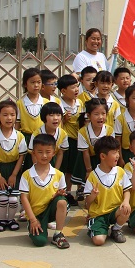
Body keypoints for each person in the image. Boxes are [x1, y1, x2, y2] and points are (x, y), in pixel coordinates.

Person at [19, 134, 70, 248]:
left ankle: (58, 234)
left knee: (62, 201)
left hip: (50, 210)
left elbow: (61, 194)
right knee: (40, 242)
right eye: (40, 152)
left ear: (54, 152)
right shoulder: (27, 175)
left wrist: (57, 195)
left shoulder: (58, 174)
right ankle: (33, 225)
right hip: (35, 214)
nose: (44, 155)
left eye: (48, 151)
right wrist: (32, 220)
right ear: (34, 153)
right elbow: (24, 198)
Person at [0, 100, 27, 232]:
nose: (9, 118)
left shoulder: (19, 136)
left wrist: (14, 174)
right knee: (3, 198)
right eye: (5, 115)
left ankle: (11, 219)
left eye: (12, 114)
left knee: (14, 199)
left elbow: (21, 157)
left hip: (14, 170)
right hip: (0, 170)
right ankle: (2, 220)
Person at [83, 135, 132, 245]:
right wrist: (92, 195)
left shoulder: (120, 171)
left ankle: (116, 229)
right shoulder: (93, 176)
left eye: (118, 152)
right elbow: (87, 203)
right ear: (103, 156)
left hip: (115, 211)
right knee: (99, 241)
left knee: (126, 209)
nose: (118, 156)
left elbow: (127, 190)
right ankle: (95, 227)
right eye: (114, 153)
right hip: (98, 214)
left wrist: (125, 201)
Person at [73, 98, 113, 200]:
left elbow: (110, 150)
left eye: (103, 113)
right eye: (96, 114)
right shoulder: (83, 132)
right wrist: (88, 170)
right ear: (88, 115)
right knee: (90, 182)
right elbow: (85, 153)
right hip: (89, 160)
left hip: (105, 159)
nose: (100, 117)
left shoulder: (109, 130)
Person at [57, 74, 82, 206]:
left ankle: (68, 191)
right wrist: (63, 119)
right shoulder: (58, 103)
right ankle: (60, 192)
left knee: (71, 169)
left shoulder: (80, 103)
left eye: (77, 86)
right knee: (62, 167)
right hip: (64, 140)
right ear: (63, 91)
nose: (76, 89)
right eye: (72, 87)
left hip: (76, 140)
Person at [16, 68, 48, 145]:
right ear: (25, 84)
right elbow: (17, 124)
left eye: (39, 82)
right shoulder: (20, 103)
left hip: (42, 138)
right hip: (26, 139)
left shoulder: (46, 102)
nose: (36, 85)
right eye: (33, 82)